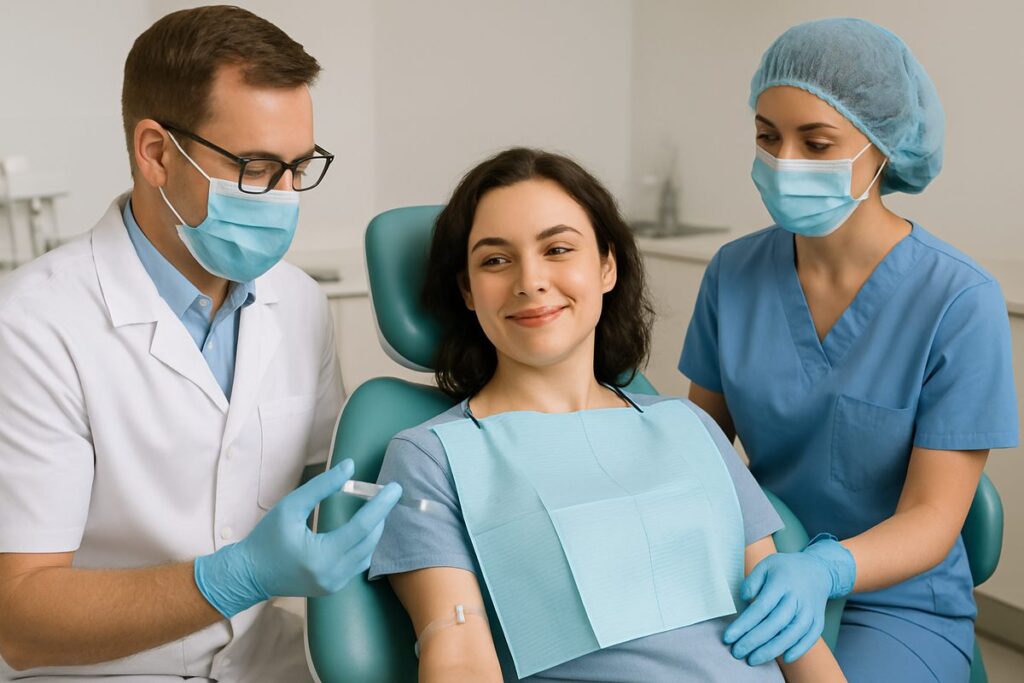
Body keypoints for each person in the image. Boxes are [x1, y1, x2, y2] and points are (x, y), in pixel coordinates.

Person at [0, 6, 400, 681]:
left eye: (299, 167)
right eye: (256, 167)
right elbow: (20, 617)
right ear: (156, 153)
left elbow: (321, 484)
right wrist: (232, 577)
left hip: (263, 661)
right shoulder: (34, 326)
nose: (283, 197)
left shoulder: (297, 301)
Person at [369, 147, 845, 682]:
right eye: (495, 260)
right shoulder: (432, 458)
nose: (530, 280)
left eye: (557, 249)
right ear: (468, 291)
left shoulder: (688, 426)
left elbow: (790, 636)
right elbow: (456, 654)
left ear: (606, 267)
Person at [679, 17, 1018, 682]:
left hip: (895, 603)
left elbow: (933, 516)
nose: (784, 162)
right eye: (768, 137)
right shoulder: (733, 272)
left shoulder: (958, 300)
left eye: (817, 141)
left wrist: (825, 568)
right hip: (756, 568)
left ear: (882, 146)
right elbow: (702, 449)